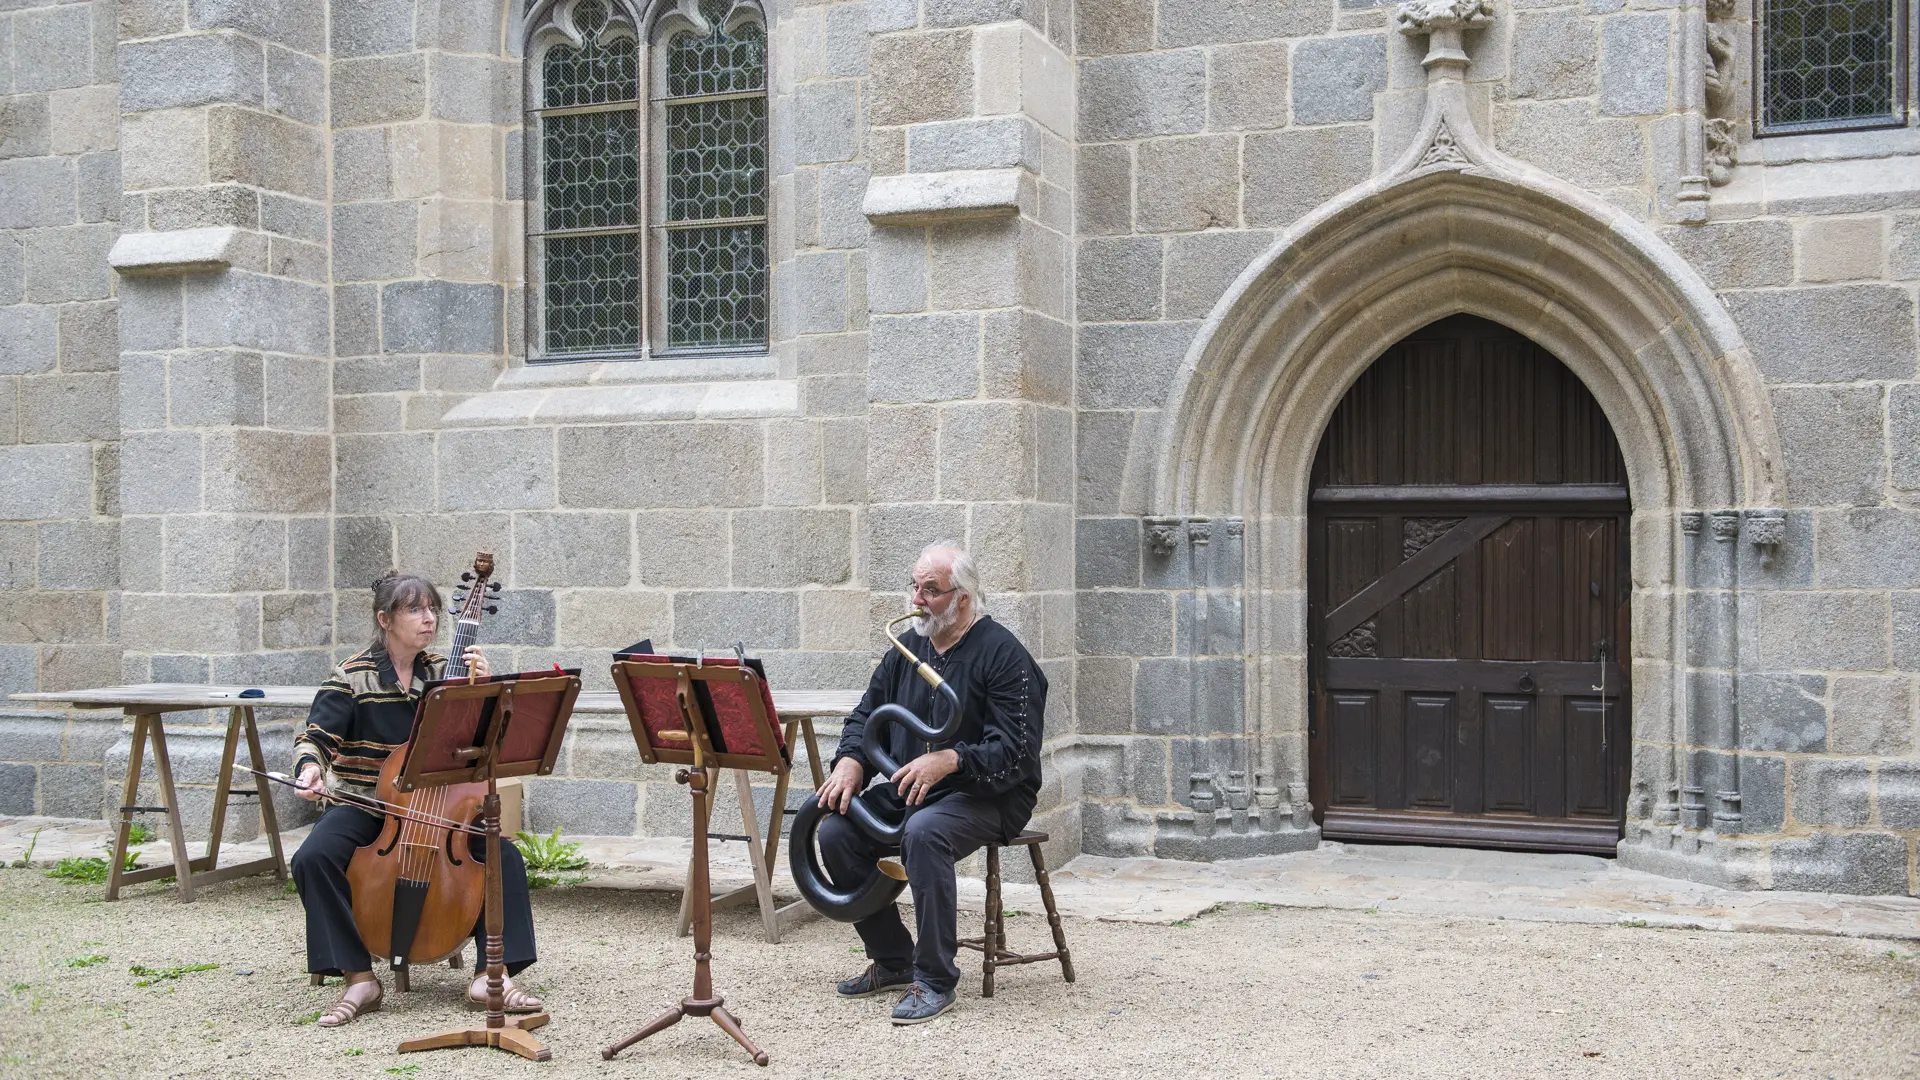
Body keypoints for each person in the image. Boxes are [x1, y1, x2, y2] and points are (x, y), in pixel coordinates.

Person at [287, 570, 542, 1028]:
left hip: (440, 808)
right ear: (384, 619)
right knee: (312, 858)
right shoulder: (352, 676)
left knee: (503, 856)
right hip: (369, 805)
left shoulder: (446, 671)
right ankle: (359, 977)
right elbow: (315, 738)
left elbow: (483, 742)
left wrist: (485, 694)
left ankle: (490, 974)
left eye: (433, 610)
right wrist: (310, 769)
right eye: (414, 610)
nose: (429, 619)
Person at [816, 542, 1048, 1025]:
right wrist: (851, 761)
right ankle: (893, 960)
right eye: (915, 587)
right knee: (836, 830)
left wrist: (950, 759)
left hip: (988, 793)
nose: (917, 600)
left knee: (924, 833)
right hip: (915, 789)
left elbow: (1017, 751)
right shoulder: (907, 648)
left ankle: (935, 979)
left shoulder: (1004, 654)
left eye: (930, 590)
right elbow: (865, 715)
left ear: (962, 598)